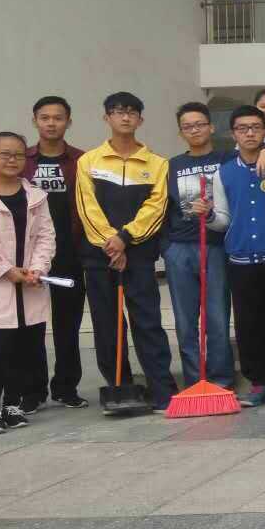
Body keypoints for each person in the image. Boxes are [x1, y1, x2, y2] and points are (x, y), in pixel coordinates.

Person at [75, 92, 175, 412]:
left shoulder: (157, 164)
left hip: (140, 255)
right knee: (107, 325)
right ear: (107, 118)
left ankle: (161, 388)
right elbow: (87, 207)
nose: (125, 117)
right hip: (99, 257)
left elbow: (156, 207)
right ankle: (121, 386)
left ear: (140, 120)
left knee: (147, 322)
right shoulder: (89, 162)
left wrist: (125, 238)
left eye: (132, 112)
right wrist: (110, 242)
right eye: (118, 111)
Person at [213, 107, 265, 410]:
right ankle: (258, 382)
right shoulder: (223, 172)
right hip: (241, 260)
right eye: (242, 128)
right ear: (233, 133)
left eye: (255, 127)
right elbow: (222, 218)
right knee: (248, 324)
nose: (249, 133)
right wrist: (208, 216)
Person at [0, 132, 55, 434]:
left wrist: (37, 268)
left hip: (30, 282)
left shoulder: (36, 196)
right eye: (4, 154)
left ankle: (12, 404)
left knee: (26, 347)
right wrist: (7, 270)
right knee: (1, 348)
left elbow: (46, 236)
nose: (12, 159)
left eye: (18, 154)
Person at [162, 103, 235, 391]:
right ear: (181, 132)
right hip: (179, 248)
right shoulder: (171, 166)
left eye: (200, 124)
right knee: (185, 321)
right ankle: (195, 380)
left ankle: (221, 380)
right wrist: (167, 247)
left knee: (217, 317)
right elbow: (163, 208)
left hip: (216, 247)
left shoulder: (227, 159)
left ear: (211, 127)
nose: (194, 130)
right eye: (187, 126)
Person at [22, 96, 86, 410]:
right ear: (35, 120)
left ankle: (66, 387)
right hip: (30, 256)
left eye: (58, 118)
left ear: (68, 122)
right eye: (44, 117)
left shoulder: (82, 161)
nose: (51, 123)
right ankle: (32, 392)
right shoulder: (22, 160)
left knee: (67, 325)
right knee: (31, 325)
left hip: (70, 253)